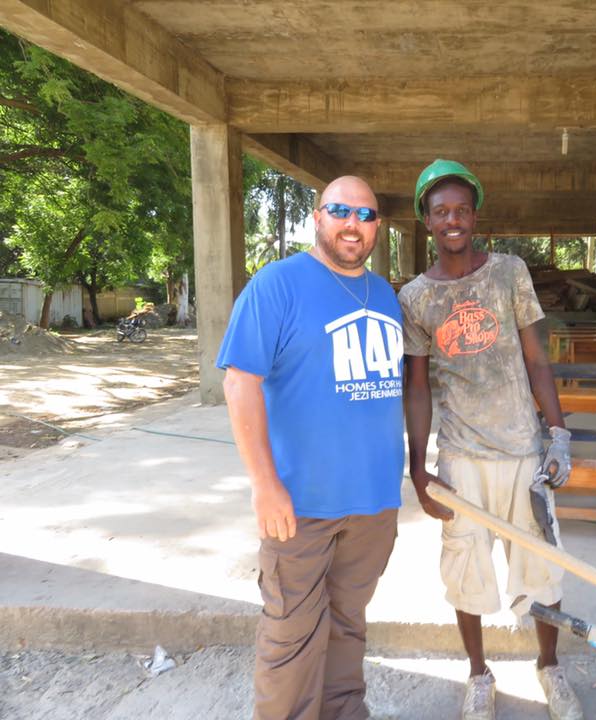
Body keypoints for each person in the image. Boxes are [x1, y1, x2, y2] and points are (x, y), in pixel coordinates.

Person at [399, 159, 583, 720]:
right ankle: (479, 674)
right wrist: (419, 468)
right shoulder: (415, 297)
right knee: (465, 571)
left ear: (475, 216)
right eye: (441, 211)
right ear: (427, 221)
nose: (452, 219)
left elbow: (537, 360)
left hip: (523, 449)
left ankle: (550, 667)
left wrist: (558, 435)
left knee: (542, 567)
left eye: (461, 209)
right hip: (461, 458)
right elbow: (418, 389)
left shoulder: (508, 273)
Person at [218, 176, 404, 720]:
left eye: (366, 215)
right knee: (292, 637)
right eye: (340, 211)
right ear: (317, 217)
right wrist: (265, 485)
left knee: (347, 626)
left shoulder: (385, 295)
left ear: (377, 227)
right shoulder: (277, 285)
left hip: (373, 504)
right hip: (300, 504)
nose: (353, 224)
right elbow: (240, 383)